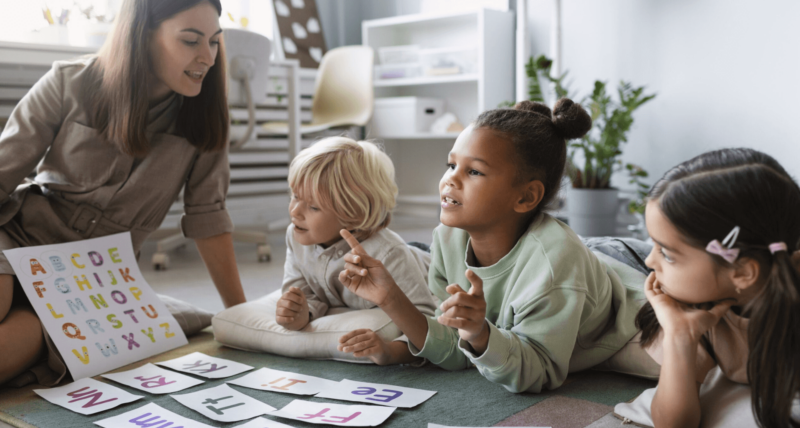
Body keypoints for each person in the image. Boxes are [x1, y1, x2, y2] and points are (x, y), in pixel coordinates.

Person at [0, 0, 247, 386]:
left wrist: (243, 317)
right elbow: (3, 173)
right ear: (142, 36)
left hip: (96, 282)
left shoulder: (204, 119)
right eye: (190, 40)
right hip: (19, 240)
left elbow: (208, 217)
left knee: (16, 347)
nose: (208, 57)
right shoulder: (69, 81)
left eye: (214, 42)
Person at [337, 99, 648, 393]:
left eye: (473, 171)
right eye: (451, 165)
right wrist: (390, 297)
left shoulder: (555, 266)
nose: (449, 180)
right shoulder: (447, 238)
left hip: (628, 268)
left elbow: (539, 373)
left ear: (526, 197)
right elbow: (454, 351)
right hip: (587, 255)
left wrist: (480, 334)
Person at [631, 148, 800, 428]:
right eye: (653, 245)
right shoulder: (701, 304)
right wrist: (679, 335)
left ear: (743, 272)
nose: (648, 262)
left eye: (666, 253)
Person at [278, 137, 436, 364]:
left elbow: (426, 322)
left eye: (313, 207)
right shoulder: (295, 236)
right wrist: (300, 312)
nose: (295, 211)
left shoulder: (389, 255)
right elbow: (304, 292)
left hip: (427, 263)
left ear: (354, 215)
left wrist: (391, 351)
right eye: (295, 196)